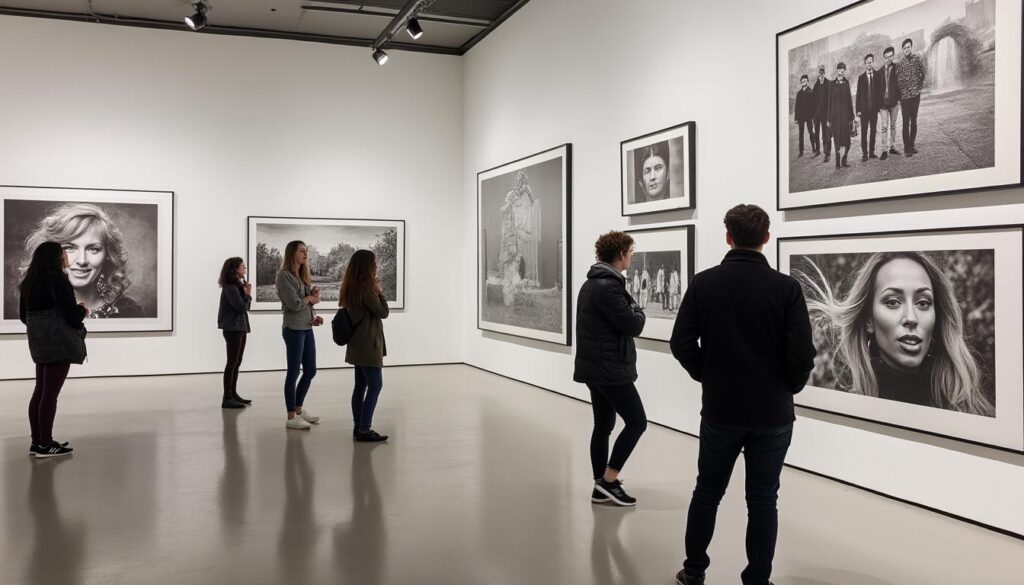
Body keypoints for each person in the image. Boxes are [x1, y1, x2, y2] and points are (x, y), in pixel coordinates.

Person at [670, 204, 816, 585]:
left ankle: (694, 571)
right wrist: (789, 386)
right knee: (764, 501)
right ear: (766, 239)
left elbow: (681, 341)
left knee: (707, 492)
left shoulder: (705, 283)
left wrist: (707, 374)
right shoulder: (786, 289)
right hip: (773, 413)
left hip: (721, 409)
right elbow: (802, 354)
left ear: (728, 237)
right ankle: (756, 580)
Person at [795, 252, 993, 415]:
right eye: (892, 302)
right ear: (869, 321)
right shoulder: (843, 408)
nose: (911, 318)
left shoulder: (973, 408)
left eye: (923, 303)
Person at [573, 231, 647, 506]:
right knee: (637, 422)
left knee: (603, 425)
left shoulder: (591, 284)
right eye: (630, 252)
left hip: (595, 368)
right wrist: (638, 310)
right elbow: (633, 324)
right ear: (620, 254)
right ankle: (609, 480)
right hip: (609, 369)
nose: (631, 257)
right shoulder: (608, 287)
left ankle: (599, 486)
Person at [19, 242, 89, 458]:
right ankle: (46, 445)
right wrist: (82, 310)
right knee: (50, 395)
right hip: (58, 343)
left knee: (40, 391)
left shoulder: (29, 282)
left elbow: (24, 317)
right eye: (63, 253)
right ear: (56, 257)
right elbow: (71, 316)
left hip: (39, 343)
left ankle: (37, 442)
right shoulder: (58, 280)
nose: (66, 257)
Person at [20, 203, 143, 318]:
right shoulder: (35, 309)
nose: (82, 260)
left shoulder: (128, 312)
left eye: (93, 249)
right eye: (69, 248)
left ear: (108, 255)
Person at [340, 250, 391, 442]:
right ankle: (364, 428)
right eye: (374, 262)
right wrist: (380, 292)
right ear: (368, 266)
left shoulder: (351, 286)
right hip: (368, 343)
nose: (376, 265)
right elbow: (383, 312)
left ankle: (358, 425)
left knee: (360, 386)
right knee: (375, 384)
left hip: (357, 343)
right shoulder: (367, 288)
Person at [276, 240, 324, 430]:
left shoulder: (302, 276)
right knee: (294, 372)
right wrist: (310, 298)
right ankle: (290, 417)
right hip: (293, 330)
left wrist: (313, 314)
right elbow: (294, 304)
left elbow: (304, 303)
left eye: (306, 252)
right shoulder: (283, 276)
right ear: (291, 254)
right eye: (302, 251)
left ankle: (298, 409)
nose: (306, 254)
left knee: (310, 370)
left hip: (306, 327)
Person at [218, 257, 252, 409]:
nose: (245, 268)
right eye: (242, 266)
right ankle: (227, 398)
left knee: (237, 362)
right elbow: (241, 308)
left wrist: (245, 292)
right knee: (232, 363)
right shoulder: (230, 287)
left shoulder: (237, 285)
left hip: (240, 327)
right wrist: (248, 293)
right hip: (233, 328)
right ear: (234, 270)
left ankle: (233, 393)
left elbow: (245, 308)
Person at [896, 38, 926, 156]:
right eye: (904, 48)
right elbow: (897, 81)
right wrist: (900, 95)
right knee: (905, 123)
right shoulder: (900, 64)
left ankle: (912, 145)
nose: (907, 49)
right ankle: (906, 147)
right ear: (902, 50)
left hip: (915, 96)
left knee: (914, 121)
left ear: (911, 47)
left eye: (908, 47)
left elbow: (922, 74)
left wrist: (919, 88)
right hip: (904, 98)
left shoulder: (917, 59)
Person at [855, 53, 884, 161]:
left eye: (871, 62)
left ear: (873, 62)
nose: (869, 64)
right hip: (864, 111)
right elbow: (858, 95)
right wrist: (858, 110)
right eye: (867, 63)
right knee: (864, 132)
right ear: (865, 64)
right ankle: (865, 154)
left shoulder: (877, 75)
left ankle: (871, 152)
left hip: (874, 110)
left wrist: (879, 107)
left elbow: (880, 92)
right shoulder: (861, 78)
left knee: (873, 131)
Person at [828, 62, 855, 170]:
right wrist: (828, 119)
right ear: (837, 70)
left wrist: (852, 118)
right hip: (835, 118)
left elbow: (849, 102)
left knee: (847, 141)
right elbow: (829, 102)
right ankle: (838, 161)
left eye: (843, 69)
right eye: (840, 69)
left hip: (845, 118)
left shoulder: (846, 83)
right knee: (837, 141)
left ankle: (844, 159)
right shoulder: (832, 84)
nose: (842, 71)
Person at [878, 46, 902, 160]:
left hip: (894, 104)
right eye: (886, 57)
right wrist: (878, 104)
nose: (888, 59)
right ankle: (884, 150)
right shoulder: (879, 72)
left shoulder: (897, 68)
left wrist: (898, 99)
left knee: (893, 126)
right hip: (883, 105)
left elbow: (901, 84)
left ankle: (892, 147)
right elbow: (876, 90)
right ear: (883, 58)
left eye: (890, 56)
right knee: (884, 127)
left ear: (893, 56)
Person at [812, 67, 832, 161]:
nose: (820, 75)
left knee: (825, 134)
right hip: (816, 114)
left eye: (822, 73)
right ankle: (817, 151)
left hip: (825, 114)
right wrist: (814, 115)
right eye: (819, 74)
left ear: (824, 73)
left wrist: (829, 115)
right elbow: (813, 99)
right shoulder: (816, 85)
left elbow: (829, 100)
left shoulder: (828, 83)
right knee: (816, 132)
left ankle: (826, 154)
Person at [794, 74, 816, 157]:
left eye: (805, 81)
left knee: (811, 132)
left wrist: (813, 116)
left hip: (809, 116)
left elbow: (813, 105)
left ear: (807, 81)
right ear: (801, 82)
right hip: (801, 117)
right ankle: (801, 151)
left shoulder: (811, 92)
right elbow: (797, 106)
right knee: (801, 134)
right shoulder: (799, 93)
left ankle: (814, 148)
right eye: (802, 81)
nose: (803, 82)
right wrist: (796, 118)